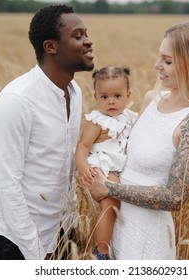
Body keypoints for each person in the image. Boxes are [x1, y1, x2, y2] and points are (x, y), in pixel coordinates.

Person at [85, 22, 189, 259]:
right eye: (159, 57)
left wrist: (109, 188)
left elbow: (176, 197)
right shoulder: (151, 99)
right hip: (114, 225)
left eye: (167, 61)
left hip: (146, 237)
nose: (157, 66)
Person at [0, 5, 94, 260]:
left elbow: (64, 167)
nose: (88, 41)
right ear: (50, 46)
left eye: (86, 34)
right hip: (17, 240)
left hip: (61, 232)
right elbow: (6, 186)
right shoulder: (17, 101)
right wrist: (33, 252)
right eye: (78, 36)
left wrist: (71, 224)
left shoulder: (74, 92)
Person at [75, 66, 138, 260]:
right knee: (111, 199)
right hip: (101, 165)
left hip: (118, 167)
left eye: (117, 96)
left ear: (128, 95)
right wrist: (83, 167)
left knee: (120, 200)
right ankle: (101, 250)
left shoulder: (129, 117)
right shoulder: (97, 121)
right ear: (95, 96)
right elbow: (83, 146)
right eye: (104, 97)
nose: (111, 101)